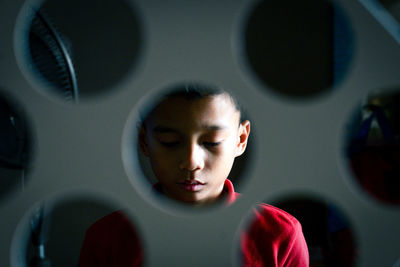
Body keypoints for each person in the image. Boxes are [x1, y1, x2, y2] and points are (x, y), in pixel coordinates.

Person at [78, 84, 309, 266]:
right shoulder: (106, 239)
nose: (191, 162)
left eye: (211, 142)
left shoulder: (280, 235)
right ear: (143, 141)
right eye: (170, 143)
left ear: (241, 139)